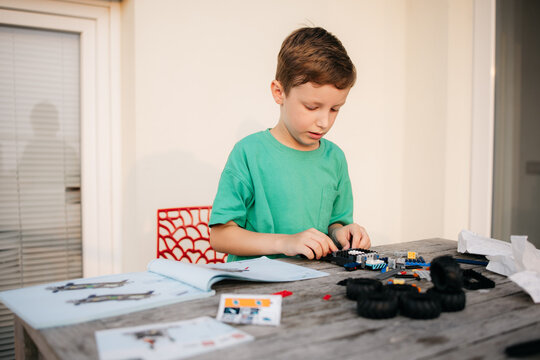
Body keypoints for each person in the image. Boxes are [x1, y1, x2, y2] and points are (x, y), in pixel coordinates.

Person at [209, 26, 370, 262]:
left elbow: (335, 223)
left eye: (335, 109)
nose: (324, 122)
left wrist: (344, 233)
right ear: (279, 92)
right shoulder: (249, 153)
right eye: (312, 107)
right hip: (256, 288)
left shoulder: (335, 158)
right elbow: (220, 237)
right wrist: (286, 242)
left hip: (314, 283)